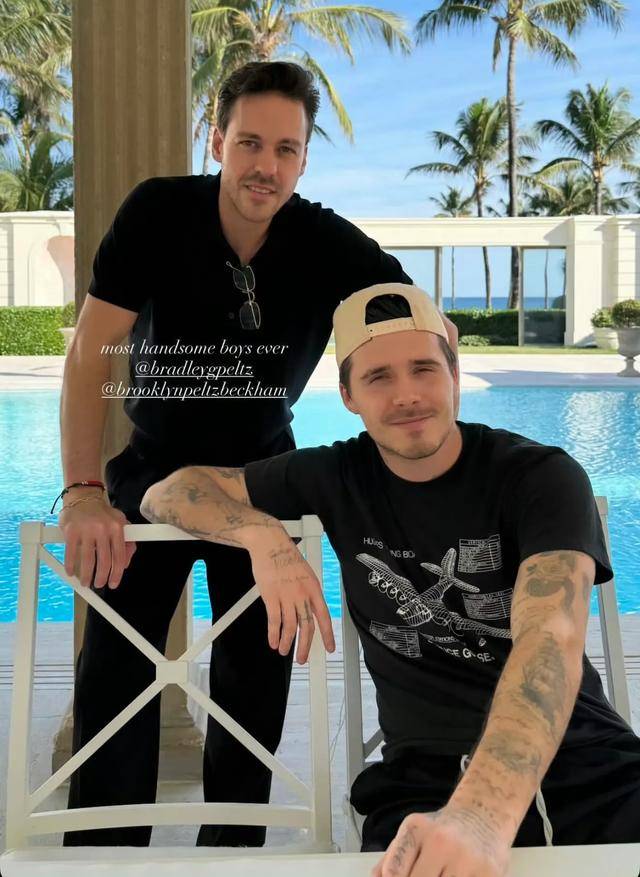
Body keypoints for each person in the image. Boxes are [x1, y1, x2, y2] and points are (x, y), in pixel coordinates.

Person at [57, 61, 459, 848]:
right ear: (217, 142)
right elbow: (90, 349)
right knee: (116, 681)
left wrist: (428, 449)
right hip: (151, 470)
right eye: (249, 143)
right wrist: (81, 489)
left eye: (285, 149)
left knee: (255, 683)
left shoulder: (326, 240)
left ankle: (233, 854)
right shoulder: (157, 212)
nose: (265, 166)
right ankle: (101, 856)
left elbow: (430, 327)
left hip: (265, 476)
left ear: (303, 160)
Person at [140, 282, 640, 874]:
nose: (407, 395)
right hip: (422, 778)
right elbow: (168, 492)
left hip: (582, 758)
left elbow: (549, 638)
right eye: (378, 377)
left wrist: (481, 815)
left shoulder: (540, 477)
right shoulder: (337, 475)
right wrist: (263, 537)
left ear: (454, 375)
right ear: (348, 395)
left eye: (424, 369)